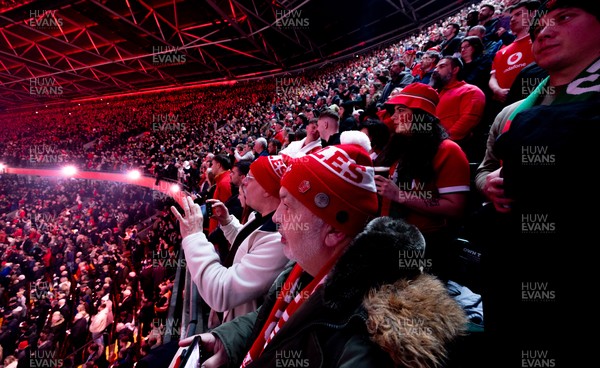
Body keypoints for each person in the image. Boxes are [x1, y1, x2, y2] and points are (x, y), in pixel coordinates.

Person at [177, 132, 467, 368]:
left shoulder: (363, 338)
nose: (277, 217)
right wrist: (229, 341)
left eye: (288, 206)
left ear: (334, 231)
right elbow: (272, 321)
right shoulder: (306, 264)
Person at [474, 0, 600, 364]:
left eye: (564, 18)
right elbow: (483, 169)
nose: (544, 32)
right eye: (539, 27)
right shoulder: (513, 111)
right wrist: (487, 184)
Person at [171, 155, 289, 328]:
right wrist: (227, 222)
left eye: (250, 178)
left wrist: (193, 236)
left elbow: (221, 291)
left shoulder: (279, 240)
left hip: (238, 330)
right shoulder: (259, 217)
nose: (244, 183)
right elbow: (248, 247)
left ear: (266, 188)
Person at [375, 83, 470, 280]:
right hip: (391, 238)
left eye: (401, 110)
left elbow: (455, 208)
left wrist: (400, 195)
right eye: (393, 111)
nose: (393, 117)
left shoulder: (448, 151)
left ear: (421, 115)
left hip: (427, 247)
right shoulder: (398, 148)